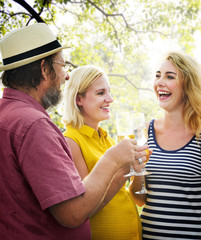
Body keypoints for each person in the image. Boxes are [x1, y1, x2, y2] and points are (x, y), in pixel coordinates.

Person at [0, 23, 148, 240]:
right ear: (44, 68)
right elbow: (72, 213)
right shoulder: (34, 124)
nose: (66, 76)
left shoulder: (9, 115)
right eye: (62, 65)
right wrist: (113, 159)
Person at [62, 65, 146, 240]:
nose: (110, 99)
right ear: (79, 99)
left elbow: (129, 194)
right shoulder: (71, 141)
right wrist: (123, 169)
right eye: (101, 93)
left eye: (109, 92)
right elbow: (86, 206)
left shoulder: (107, 140)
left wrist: (138, 170)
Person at [130, 51, 201, 239]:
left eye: (170, 76)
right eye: (157, 76)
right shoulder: (144, 133)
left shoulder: (199, 135)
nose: (160, 82)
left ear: (188, 85)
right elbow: (139, 199)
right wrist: (137, 172)